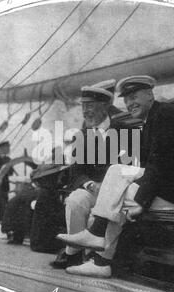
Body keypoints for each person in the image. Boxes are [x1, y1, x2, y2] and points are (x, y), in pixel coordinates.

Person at [57, 75, 174, 278]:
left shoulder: (162, 115)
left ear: (150, 95)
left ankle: (101, 258)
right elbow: (150, 166)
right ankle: (97, 243)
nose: (130, 103)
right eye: (126, 99)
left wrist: (142, 200)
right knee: (116, 173)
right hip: (171, 186)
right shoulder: (154, 118)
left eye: (134, 97)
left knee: (119, 194)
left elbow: (158, 164)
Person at [50, 80, 135, 269]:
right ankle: (73, 253)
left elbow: (130, 166)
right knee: (74, 201)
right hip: (93, 188)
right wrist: (89, 184)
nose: (86, 111)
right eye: (84, 107)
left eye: (91, 106)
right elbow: (77, 171)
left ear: (105, 106)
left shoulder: (125, 131)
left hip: (116, 192)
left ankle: (97, 259)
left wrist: (105, 187)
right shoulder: (82, 135)